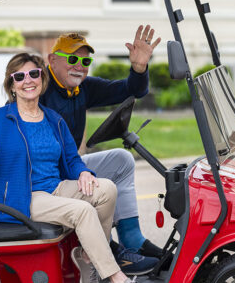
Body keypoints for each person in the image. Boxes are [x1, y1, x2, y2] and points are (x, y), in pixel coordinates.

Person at [0, 53, 158, 283]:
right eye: (20, 76)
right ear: (11, 84)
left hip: (55, 189)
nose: (28, 80)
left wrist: (83, 173)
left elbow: (71, 159)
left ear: (42, 79)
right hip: (22, 199)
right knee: (82, 211)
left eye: (34, 74)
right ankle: (117, 282)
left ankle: (89, 258)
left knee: (107, 189)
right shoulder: (1, 119)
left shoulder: (53, 119)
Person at [40, 29, 166, 270]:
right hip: (47, 180)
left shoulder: (82, 87)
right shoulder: (39, 90)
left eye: (86, 61)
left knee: (122, 159)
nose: (80, 66)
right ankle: (108, 250)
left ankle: (132, 240)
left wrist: (139, 69)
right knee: (99, 186)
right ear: (52, 60)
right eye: (73, 58)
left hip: (69, 167)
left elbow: (131, 89)